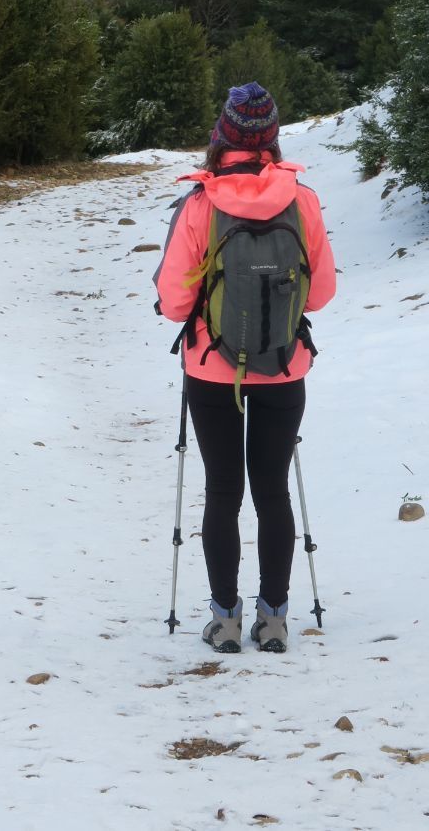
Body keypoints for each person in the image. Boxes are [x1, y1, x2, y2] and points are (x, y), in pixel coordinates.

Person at [154, 82, 336, 653]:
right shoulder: (302, 200)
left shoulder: (199, 205)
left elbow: (175, 304)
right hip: (283, 365)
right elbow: (321, 294)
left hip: (212, 369)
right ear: (272, 139)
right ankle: (275, 619)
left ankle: (225, 620)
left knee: (223, 492)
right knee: (273, 492)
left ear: (222, 137)